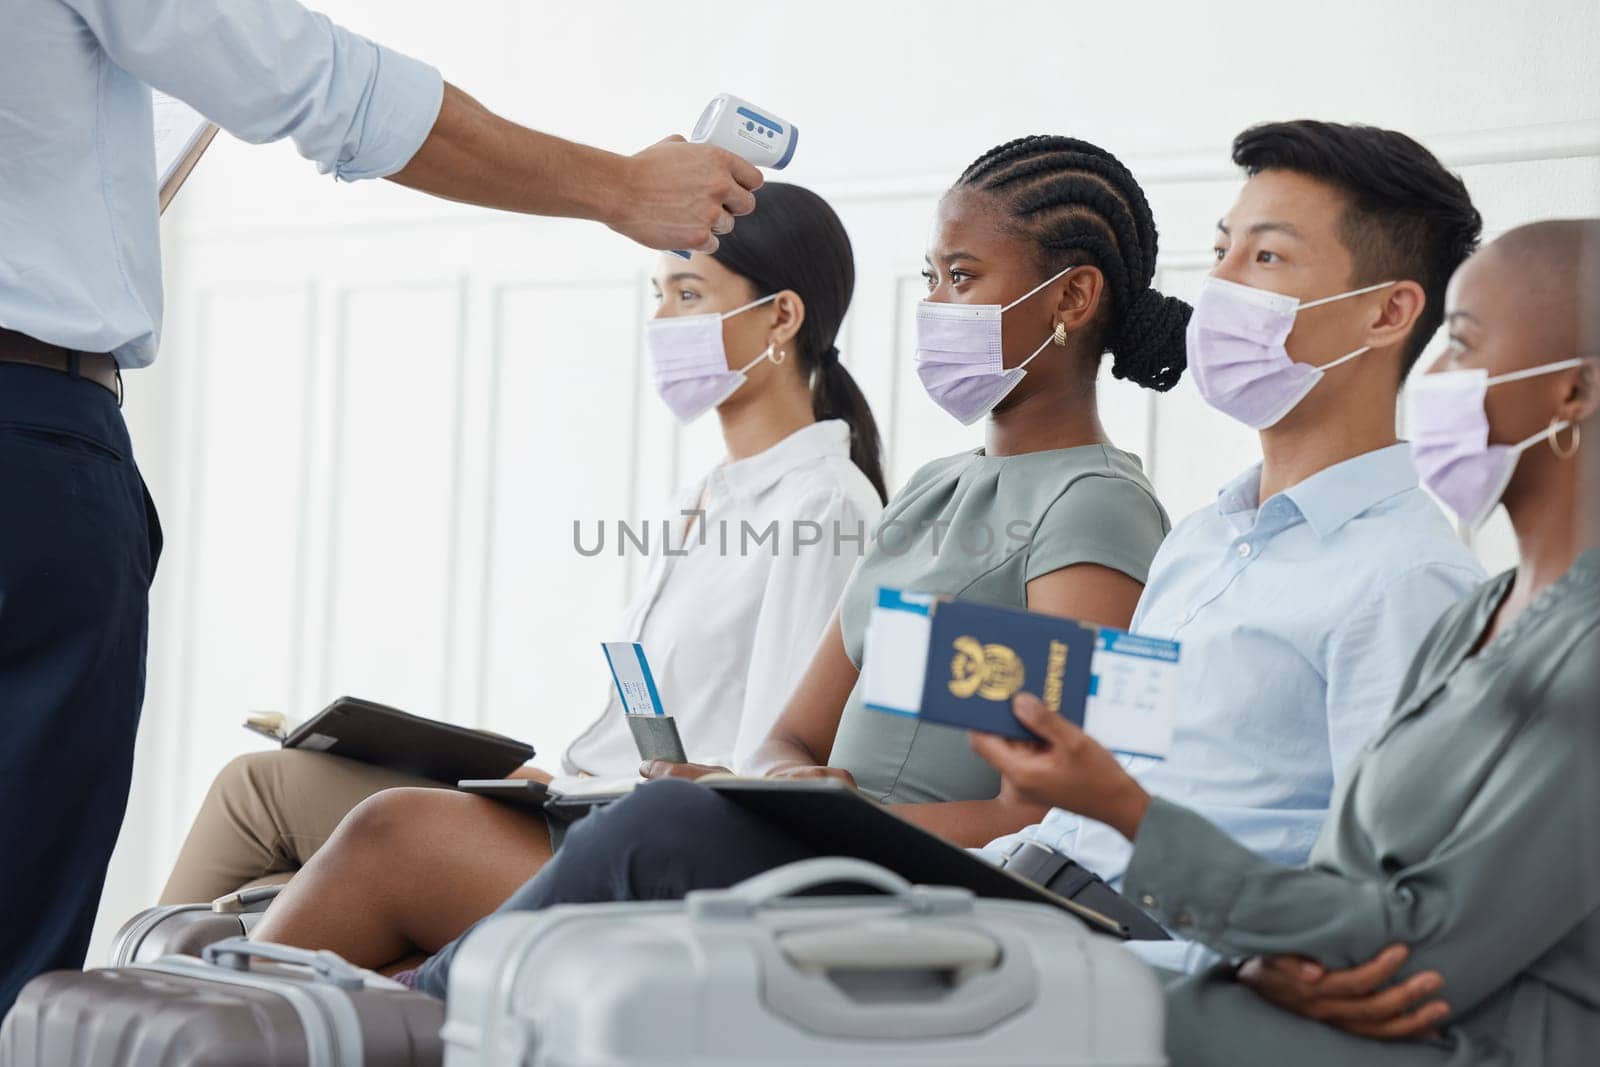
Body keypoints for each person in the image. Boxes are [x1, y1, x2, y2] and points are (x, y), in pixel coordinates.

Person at [340, 220, 1594, 1061]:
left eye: (1262, 256)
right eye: (1221, 254)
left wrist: (1232, 915)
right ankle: (337, 1017)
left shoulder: (1386, 569)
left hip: (1119, 917)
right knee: (523, 836)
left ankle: (360, 1029)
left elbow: (1380, 925)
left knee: (649, 852)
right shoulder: (1214, 535)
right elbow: (1103, 769)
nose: (1218, 298)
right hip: (1065, 876)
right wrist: (807, 789)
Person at [246, 134, 1191, 967]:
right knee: (422, 827)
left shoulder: (1099, 508)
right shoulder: (933, 492)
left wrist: (844, 816)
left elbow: (1074, 806)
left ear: (1071, 297)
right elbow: (793, 736)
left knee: (400, 833)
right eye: (931, 278)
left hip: (899, 890)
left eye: (964, 277)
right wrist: (777, 786)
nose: (936, 305)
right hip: (814, 848)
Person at [1, 0, 761, 1009]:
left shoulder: (814, 501)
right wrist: (619, 186)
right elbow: (326, 85)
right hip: (32, 445)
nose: (667, 317)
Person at [973, 217, 1600, 1066]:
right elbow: (1349, 885)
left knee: (980, 1014)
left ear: (1573, 393)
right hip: (1213, 948)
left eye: (1460, 343)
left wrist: (1127, 811)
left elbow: (1415, 957)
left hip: (1446, 1037)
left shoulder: (1437, 591)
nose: (1437, 379)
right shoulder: (1476, 615)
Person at [157, 183, 888, 906]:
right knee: (260, 854)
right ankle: (112, 1008)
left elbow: (773, 773)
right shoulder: (706, 495)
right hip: (583, 807)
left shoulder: (823, 505)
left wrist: (583, 793)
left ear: (781, 317)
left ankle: (94, 1013)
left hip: (640, 847)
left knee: (260, 796)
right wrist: (542, 780)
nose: (661, 319)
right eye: (657, 293)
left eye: (688, 294)